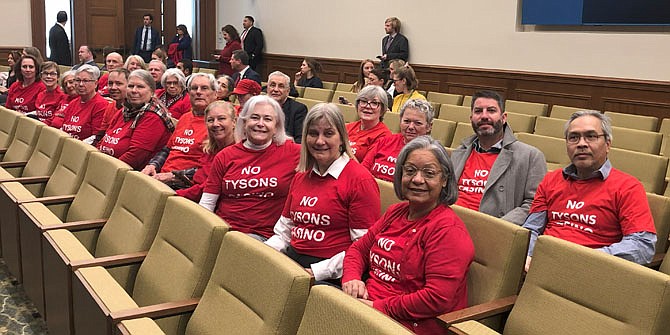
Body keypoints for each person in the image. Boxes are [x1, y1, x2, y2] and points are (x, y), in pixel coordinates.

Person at [342, 135, 474, 335]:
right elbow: (358, 250)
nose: (417, 179)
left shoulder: (448, 231)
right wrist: (352, 278)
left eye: (429, 173)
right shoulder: (396, 212)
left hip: (407, 324)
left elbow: (436, 298)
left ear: (445, 179)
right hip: (366, 308)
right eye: (410, 171)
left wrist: (377, 307)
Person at [523, 111, 657, 270]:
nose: (581, 144)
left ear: (608, 144)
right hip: (541, 266)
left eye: (591, 136)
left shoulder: (628, 187)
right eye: (573, 137)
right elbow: (532, 228)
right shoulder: (550, 180)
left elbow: (643, 245)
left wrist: (584, 260)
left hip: (593, 272)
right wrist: (528, 256)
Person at [265, 103, 380, 283]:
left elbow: (362, 247)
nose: (319, 141)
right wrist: (264, 252)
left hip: (330, 271)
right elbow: (284, 231)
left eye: (328, 133)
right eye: (313, 133)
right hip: (294, 261)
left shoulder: (360, 180)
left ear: (342, 138)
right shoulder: (301, 176)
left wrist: (316, 271)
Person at [200, 95, 300, 241]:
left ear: (277, 126)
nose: (260, 123)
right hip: (223, 231)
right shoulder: (225, 156)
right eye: (254, 117)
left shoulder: (294, 153)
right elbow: (207, 203)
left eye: (267, 119)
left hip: (263, 238)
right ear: (244, 122)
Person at [451, 90, 546, 225]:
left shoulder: (530, 156)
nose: (484, 116)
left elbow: (534, 204)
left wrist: (498, 229)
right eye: (478, 111)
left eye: (491, 110)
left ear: (504, 117)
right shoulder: (459, 152)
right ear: (471, 118)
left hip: (492, 230)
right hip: (449, 224)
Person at [141, 73, 218, 188]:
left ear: (215, 94)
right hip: (161, 177)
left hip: (185, 183)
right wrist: (153, 165)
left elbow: (209, 169)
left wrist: (173, 176)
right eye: (194, 88)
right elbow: (167, 150)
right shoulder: (185, 118)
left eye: (204, 88)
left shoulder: (217, 124)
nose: (198, 92)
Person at [98, 69, 174, 170]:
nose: (134, 90)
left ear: (152, 91)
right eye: (130, 86)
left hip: (127, 174)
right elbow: (103, 139)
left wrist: (105, 170)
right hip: (106, 165)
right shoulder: (124, 110)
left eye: (140, 86)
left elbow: (135, 157)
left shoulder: (152, 117)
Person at [176, 101, 237, 202]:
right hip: (192, 197)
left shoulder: (236, 152)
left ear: (234, 122)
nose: (215, 124)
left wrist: (174, 195)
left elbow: (207, 188)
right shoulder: (208, 148)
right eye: (210, 120)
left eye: (221, 118)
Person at [362, 99, 433, 182]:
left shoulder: (431, 153)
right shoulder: (385, 141)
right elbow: (363, 170)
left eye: (417, 123)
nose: (410, 127)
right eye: (406, 121)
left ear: (429, 126)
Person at [52, 64, 108, 143]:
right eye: (78, 80)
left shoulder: (101, 105)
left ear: (95, 84)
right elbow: (63, 127)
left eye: (85, 81)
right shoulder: (73, 103)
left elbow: (96, 137)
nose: (81, 84)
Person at [346, 86, 392, 162]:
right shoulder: (347, 127)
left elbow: (366, 168)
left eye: (374, 103)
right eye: (363, 101)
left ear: (382, 109)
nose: (367, 106)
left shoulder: (384, 137)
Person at [267, 71, 307, 143]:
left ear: (288, 91)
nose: (275, 89)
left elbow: (300, 140)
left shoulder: (299, 109)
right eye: (272, 85)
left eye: (281, 86)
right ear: (267, 88)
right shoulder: (259, 106)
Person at [98, 68, 129, 140]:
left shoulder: (135, 110)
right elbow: (101, 134)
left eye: (118, 84)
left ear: (129, 85)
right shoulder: (111, 106)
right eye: (110, 83)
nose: (113, 87)